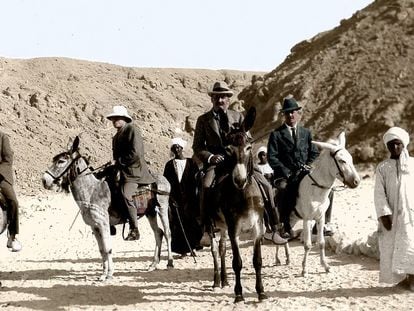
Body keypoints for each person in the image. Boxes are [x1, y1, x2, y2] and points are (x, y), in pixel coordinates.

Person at [192, 81, 287, 245]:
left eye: (223, 97)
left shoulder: (238, 116)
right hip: (218, 162)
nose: (220, 100)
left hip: (240, 159)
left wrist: (244, 141)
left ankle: (274, 227)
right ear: (212, 99)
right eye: (217, 97)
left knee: (265, 184)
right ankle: (207, 229)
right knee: (206, 185)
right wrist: (210, 157)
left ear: (228, 99)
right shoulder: (203, 120)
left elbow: (247, 138)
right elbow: (197, 147)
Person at [267, 97, 321, 239]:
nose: (291, 115)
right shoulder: (276, 134)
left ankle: (322, 224)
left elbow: (314, 152)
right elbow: (272, 157)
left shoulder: (306, 132)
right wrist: (285, 171)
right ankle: (285, 225)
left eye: (293, 112)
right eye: (287, 113)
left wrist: (308, 164)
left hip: (304, 172)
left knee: (328, 189)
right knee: (284, 189)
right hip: (285, 175)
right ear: (284, 115)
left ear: (298, 113)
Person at [106, 105, 155, 241]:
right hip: (122, 170)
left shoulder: (132, 130)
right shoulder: (116, 137)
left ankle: (134, 229)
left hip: (135, 172)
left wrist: (119, 162)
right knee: (107, 187)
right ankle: (110, 222)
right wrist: (114, 164)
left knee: (126, 194)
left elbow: (136, 153)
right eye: (113, 118)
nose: (114, 120)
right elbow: (116, 157)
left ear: (124, 118)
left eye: (117, 118)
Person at [374, 126, 414, 291]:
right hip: (393, 215)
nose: (395, 148)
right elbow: (379, 193)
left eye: (398, 144)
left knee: (411, 243)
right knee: (394, 245)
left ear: (404, 144)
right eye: (391, 145)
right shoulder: (383, 168)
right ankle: (406, 277)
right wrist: (384, 213)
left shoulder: (413, 164)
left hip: (411, 213)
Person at [163, 137, 202, 256]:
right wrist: (171, 198)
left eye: (179, 147)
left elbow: (198, 180)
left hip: (191, 199)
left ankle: (193, 248)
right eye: (174, 147)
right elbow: (166, 183)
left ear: (182, 148)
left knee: (191, 222)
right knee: (178, 224)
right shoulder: (169, 165)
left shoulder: (191, 163)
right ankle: (182, 250)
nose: (177, 149)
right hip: (176, 199)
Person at [0, 130, 22, 252]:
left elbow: (8, 159)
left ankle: (12, 237)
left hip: (1, 177)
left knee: (13, 201)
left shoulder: (3, 137)